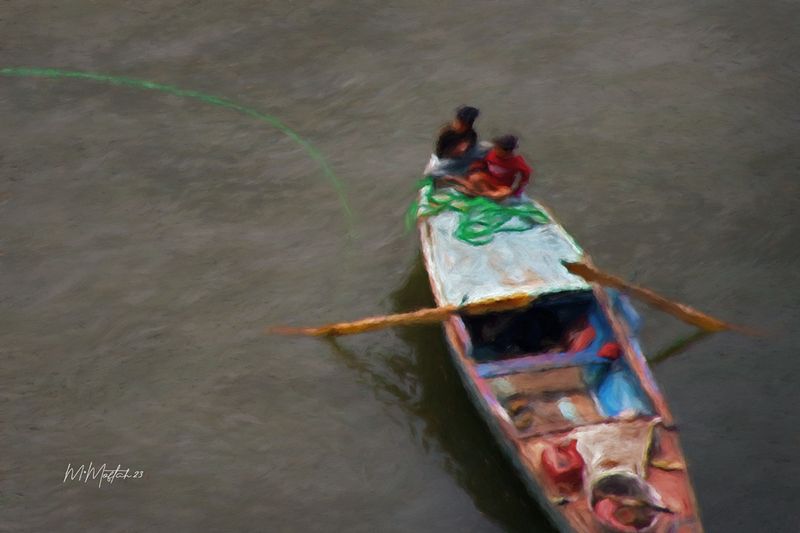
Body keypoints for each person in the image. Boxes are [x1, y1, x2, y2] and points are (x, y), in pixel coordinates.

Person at [445, 134, 532, 201]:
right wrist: (473, 168)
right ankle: (482, 193)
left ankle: (476, 194)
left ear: (507, 151)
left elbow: (526, 174)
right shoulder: (492, 154)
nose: (495, 149)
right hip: (488, 180)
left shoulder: (517, 162)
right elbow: (483, 163)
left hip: (501, 185)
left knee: (506, 192)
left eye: (498, 148)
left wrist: (518, 189)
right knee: (474, 178)